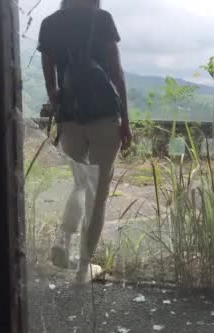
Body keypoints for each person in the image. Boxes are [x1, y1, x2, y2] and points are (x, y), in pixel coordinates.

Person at [37, 0, 132, 284]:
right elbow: (115, 71)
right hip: (104, 118)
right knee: (98, 195)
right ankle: (83, 268)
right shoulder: (101, 19)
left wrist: (60, 106)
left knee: (80, 184)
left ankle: (62, 241)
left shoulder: (49, 24)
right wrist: (125, 121)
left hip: (70, 118)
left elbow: (50, 80)